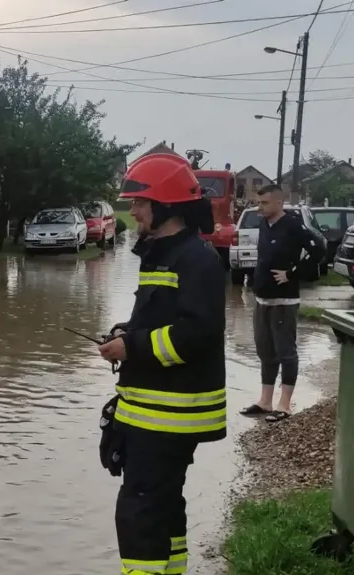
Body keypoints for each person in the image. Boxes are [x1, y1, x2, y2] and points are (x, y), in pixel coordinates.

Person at [96, 153, 227, 575]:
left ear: (165, 206)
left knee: (141, 509)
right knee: (164, 503)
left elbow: (197, 334)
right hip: (154, 409)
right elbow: (159, 320)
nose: (131, 210)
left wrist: (132, 348)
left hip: (170, 414)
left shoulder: (195, 259)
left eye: (138, 202)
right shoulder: (164, 253)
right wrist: (125, 334)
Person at [239, 185, 325, 423]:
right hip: (262, 298)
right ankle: (265, 402)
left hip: (284, 300)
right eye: (259, 202)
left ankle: (284, 405)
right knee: (265, 351)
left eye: (265, 203)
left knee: (285, 351)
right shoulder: (264, 224)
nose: (260, 207)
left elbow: (319, 250)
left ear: (279, 203)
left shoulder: (293, 225)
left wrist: (293, 273)